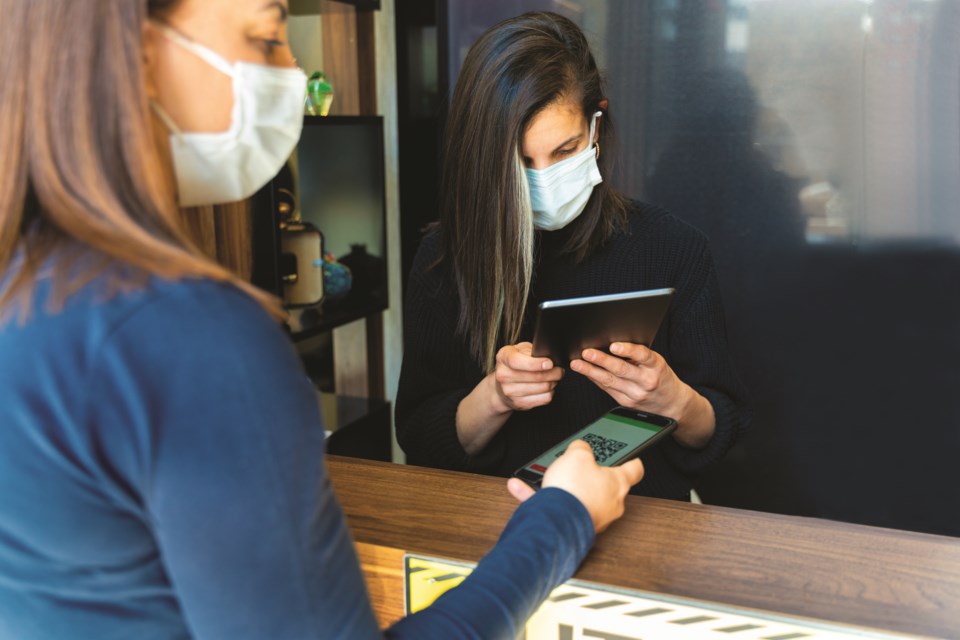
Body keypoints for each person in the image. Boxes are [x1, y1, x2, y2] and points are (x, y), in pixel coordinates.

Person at [0, 1, 644, 638]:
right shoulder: (196, 338)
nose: (291, 67)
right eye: (265, 36)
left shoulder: (28, 285)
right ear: (135, 57)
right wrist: (563, 517)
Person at [396, 12, 748, 502]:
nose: (543, 177)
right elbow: (418, 434)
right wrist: (495, 396)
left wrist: (674, 400)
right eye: (519, 162)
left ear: (596, 125)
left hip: (644, 526)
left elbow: (718, 432)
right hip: (495, 527)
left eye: (565, 150)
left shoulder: (675, 249)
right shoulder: (444, 258)